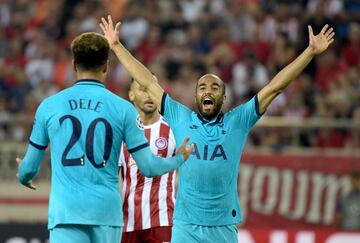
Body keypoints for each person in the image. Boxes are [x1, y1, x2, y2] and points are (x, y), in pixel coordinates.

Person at [100, 15, 335, 242]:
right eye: (202, 87)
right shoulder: (179, 116)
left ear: (223, 97)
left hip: (223, 227)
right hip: (185, 227)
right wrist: (117, 46)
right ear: (196, 96)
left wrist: (310, 52)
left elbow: (275, 87)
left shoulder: (238, 121)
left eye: (215, 87)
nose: (208, 90)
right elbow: (148, 82)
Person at [15, 32, 193, 243]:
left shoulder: (49, 106)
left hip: (66, 213)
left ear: (73, 65)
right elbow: (149, 167)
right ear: (106, 66)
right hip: (107, 215)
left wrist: (24, 176)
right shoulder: (123, 109)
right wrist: (179, 158)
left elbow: (29, 168)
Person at [119, 79, 177, 243]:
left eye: (152, 89)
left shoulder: (173, 130)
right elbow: (115, 178)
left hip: (164, 222)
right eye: (143, 89)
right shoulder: (121, 134)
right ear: (131, 95)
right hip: (128, 223)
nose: (149, 95)